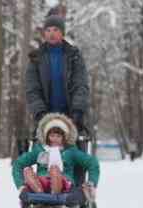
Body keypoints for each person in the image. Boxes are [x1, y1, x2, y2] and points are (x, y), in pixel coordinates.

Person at [20, 14, 90, 156]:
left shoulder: (74, 56)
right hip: (45, 118)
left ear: (62, 33)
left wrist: (77, 111)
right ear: (44, 33)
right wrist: (40, 113)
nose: (51, 34)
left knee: (74, 161)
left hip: (71, 117)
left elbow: (81, 84)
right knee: (45, 164)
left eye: (56, 30)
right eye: (48, 30)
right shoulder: (35, 58)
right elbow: (32, 89)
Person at [12, 113, 99, 198]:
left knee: (54, 170)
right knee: (28, 171)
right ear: (46, 136)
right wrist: (21, 186)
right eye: (52, 136)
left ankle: (55, 190)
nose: (55, 139)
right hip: (42, 181)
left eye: (58, 136)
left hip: (64, 181)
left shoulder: (71, 151)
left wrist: (91, 183)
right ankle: (38, 190)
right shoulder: (40, 150)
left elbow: (92, 162)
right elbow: (18, 163)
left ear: (64, 137)